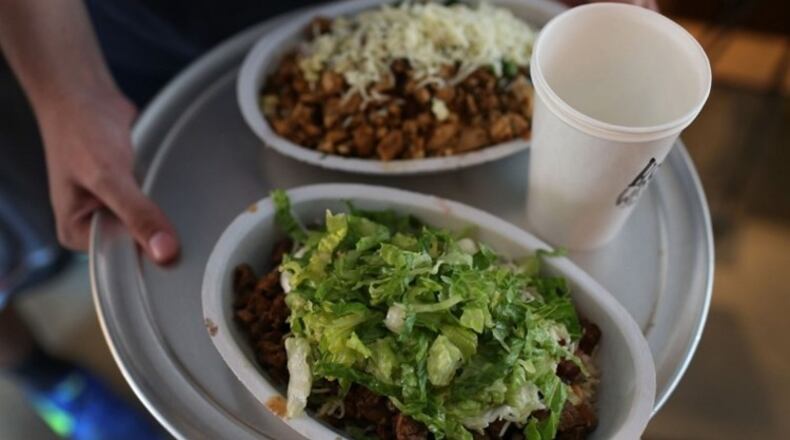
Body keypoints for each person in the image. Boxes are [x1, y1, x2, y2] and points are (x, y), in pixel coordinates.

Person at [0, 1, 657, 439]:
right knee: (20, 248)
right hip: (99, 38)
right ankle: (46, 378)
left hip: (373, 17)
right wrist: (66, 92)